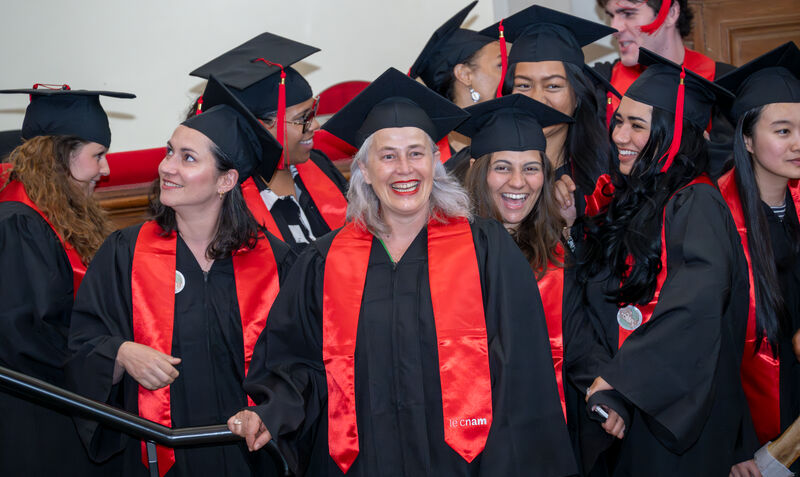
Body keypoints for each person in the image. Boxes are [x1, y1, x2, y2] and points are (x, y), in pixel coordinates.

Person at [228, 68, 577, 476]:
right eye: (388, 156)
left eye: (416, 153)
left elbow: (523, 374)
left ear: (436, 162)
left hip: (468, 465)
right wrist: (270, 411)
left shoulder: (486, 249)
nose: (404, 169)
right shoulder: (324, 262)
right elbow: (295, 363)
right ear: (364, 170)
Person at [67, 76, 295, 477]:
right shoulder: (124, 254)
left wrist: (270, 413)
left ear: (226, 180)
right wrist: (120, 354)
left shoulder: (276, 264)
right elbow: (82, 345)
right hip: (158, 461)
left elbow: (301, 365)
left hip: (251, 459)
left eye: (188, 158)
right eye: (169, 152)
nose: (166, 167)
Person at [570, 49, 756, 475]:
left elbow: (695, 307)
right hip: (636, 410)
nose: (619, 135)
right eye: (619, 120)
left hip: (678, 419)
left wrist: (623, 377)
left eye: (638, 125)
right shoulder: (635, 199)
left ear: (675, 133)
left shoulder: (697, 202)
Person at [459, 94, 610, 474]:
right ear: (477, 169)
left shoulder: (556, 253)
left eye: (531, 168)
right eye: (503, 167)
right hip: (474, 437)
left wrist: (607, 386)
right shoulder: (450, 253)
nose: (518, 182)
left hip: (546, 430)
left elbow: (577, 341)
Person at [0, 85, 134, 476]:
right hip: (39, 416)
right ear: (61, 156)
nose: (105, 170)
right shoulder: (18, 225)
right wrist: (108, 357)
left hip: (63, 403)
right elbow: (23, 336)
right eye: (98, 155)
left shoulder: (54, 213)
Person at [715, 42, 800, 476]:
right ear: (747, 139)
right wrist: (737, 444)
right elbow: (712, 347)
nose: (798, 144)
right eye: (783, 131)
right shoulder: (714, 221)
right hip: (756, 430)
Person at [190, 32, 348, 250]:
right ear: (260, 127)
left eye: (313, 113)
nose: (315, 126)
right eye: (303, 118)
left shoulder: (320, 164)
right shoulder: (229, 196)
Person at [593, 0, 736, 177]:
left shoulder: (724, 84)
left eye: (628, 13)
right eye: (612, 16)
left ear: (670, 13)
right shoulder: (600, 84)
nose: (615, 28)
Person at [481, 5, 616, 209]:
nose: (536, 99)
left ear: (577, 95)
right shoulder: (483, 173)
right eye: (524, 85)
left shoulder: (603, 180)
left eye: (553, 86)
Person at [408, 0, 503, 167]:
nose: (511, 73)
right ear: (465, 75)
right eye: (500, 65)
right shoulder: (430, 159)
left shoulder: (513, 134)